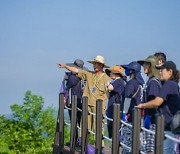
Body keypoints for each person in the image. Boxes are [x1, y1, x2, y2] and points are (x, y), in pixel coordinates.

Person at [58, 55, 111, 147]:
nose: (95, 66)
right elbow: (77, 71)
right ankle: (83, 145)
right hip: (87, 104)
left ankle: (99, 147)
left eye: (97, 64)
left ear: (101, 65)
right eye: (94, 64)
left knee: (98, 127)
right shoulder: (89, 74)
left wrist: (107, 104)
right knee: (84, 126)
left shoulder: (106, 78)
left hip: (99, 106)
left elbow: (109, 92)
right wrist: (65, 66)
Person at [136, 61, 180, 154]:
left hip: (167, 126)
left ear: (170, 71)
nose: (160, 72)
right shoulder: (174, 85)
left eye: (162, 70)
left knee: (165, 151)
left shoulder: (168, 85)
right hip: (171, 126)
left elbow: (157, 102)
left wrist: (143, 105)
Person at [60, 59, 87, 145]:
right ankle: (82, 141)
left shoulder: (72, 78)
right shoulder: (85, 77)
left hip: (74, 102)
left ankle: (74, 141)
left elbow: (66, 87)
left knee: (74, 122)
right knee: (82, 122)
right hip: (84, 102)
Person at [138, 55, 161, 154]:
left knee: (149, 147)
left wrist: (148, 114)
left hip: (152, 120)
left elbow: (154, 101)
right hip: (151, 118)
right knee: (147, 146)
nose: (144, 66)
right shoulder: (151, 81)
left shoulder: (153, 83)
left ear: (152, 66)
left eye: (146, 64)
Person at [121, 61, 145, 154]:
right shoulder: (140, 83)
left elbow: (127, 99)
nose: (125, 70)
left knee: (127, 143)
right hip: (139, 116)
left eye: (127, 69)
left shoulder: (131, 83)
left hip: (130, 115)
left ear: (132, 71)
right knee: (137, 143)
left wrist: (124, 113)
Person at [105, 65, 126, 139]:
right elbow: (108, 94)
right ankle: (115, 144)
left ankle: (116, 145)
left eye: (111, 72)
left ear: (115, 73)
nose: (110, 74)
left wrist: (108, 85)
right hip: (114, 107)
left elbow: (110, 87)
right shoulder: (120, 82)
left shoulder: (118, 81)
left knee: (114, 129)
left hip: (116, 109)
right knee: (113, 128)